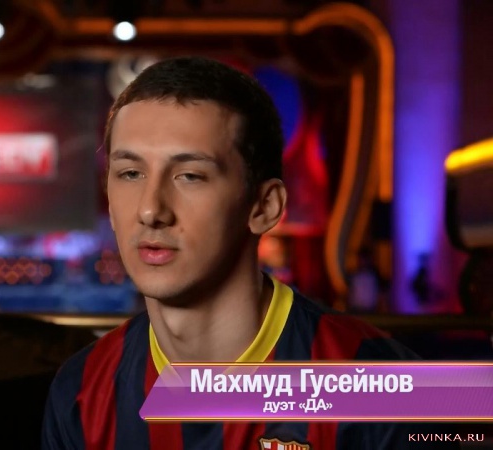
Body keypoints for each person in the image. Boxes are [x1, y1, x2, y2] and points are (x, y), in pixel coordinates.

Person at [42, 56, 457, 449]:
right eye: (131, 173)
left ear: (264, 207)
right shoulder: (82, 388)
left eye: (190, 176)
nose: (150, 210)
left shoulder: (382, 383)